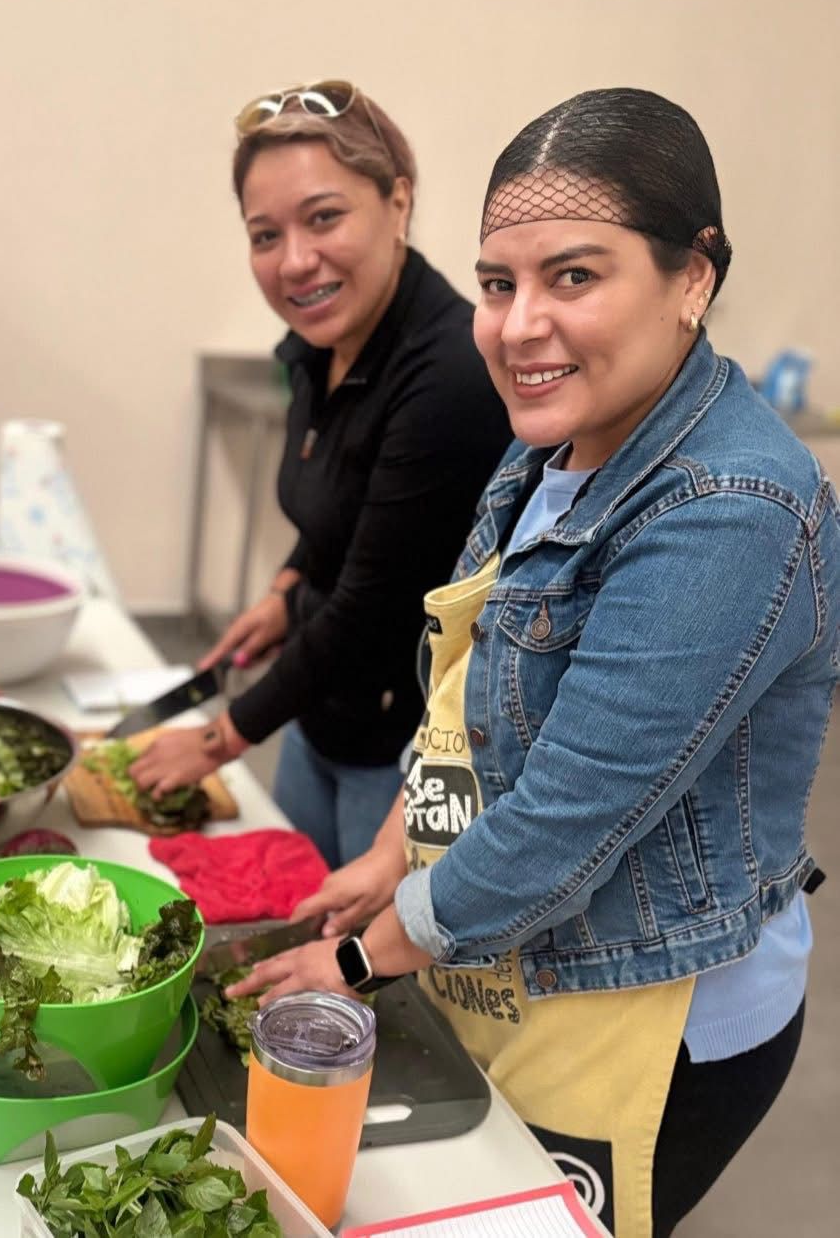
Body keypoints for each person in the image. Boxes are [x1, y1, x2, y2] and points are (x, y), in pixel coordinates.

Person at [232, 88, 835, 1238]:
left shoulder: (734, 507)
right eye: (499, 283)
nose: (516, 326)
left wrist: (361, 959)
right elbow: (468, 698)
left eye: (575, 276)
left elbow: (567, 818)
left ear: (694, 274)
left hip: (644, 1009)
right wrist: (390, 850)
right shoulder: (556, 444)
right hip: (508, 955)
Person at [131, 81, 511, 867]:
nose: (295, 261)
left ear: (397, 202)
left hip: (407, 747)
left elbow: (373, 608)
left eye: (324, 217)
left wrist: (217, 739)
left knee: (370, 969)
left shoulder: (447, 373)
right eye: (264, 235)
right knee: (297, 922)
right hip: (324, 710)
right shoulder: (316, 348)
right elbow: (336, 512)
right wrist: (283, 589)